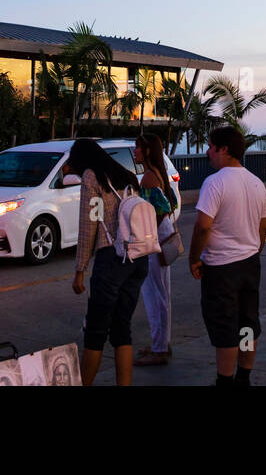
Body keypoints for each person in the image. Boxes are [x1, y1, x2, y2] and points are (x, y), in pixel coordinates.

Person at [190, 126, 266, 387]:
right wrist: (254, 250)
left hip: (221, 267)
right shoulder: (256, 182)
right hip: (249, 263)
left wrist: (194, 258)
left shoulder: (215, 182)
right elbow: (264, 225)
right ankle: (243, 376)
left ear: (224, 149)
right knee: (247, 323)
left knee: (225, 326)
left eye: (211, 146)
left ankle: (224, 380)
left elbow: (203, 226)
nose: (207, 152)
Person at [68, 138, 148, 386]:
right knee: (122, 328)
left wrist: (80, 270)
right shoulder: (126, 175)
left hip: (112, 258)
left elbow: (88, 225)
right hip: (137, 258)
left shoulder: (92, 177)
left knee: (95, 333)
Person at [133, 133, 177, 367]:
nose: (135, 152)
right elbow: (172, 205)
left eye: (138, 148)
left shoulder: (148, 178)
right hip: (162, 236)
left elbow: (154, 211)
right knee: (162, 293)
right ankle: (161, 343)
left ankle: (159, 349)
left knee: (153, 295)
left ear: (148, 151)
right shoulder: (160, 175)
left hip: (154, 239)